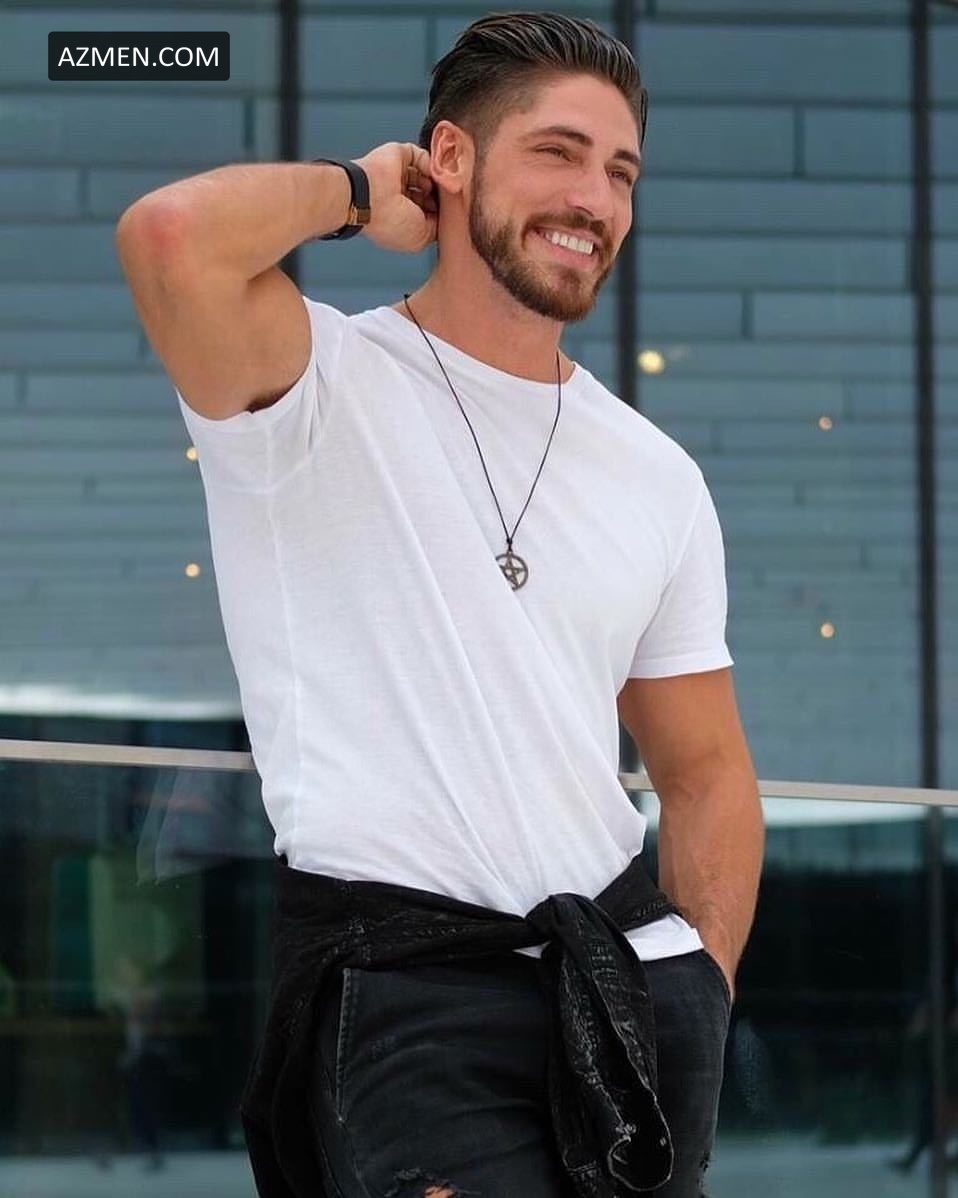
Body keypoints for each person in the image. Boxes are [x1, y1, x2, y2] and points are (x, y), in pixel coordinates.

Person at [115, 11, 764, 1197]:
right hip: (406, 994)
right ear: (451, 159)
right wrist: (363, 191)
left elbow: (707, 771)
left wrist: (700, 988)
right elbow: (171, 237)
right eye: (558, 152)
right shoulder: (313, 383)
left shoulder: (656, 475)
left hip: (624, 982)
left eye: (621, 171)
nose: (594, 198)